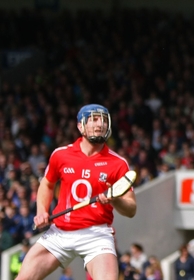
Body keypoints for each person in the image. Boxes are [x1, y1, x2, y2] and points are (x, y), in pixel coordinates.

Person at [16, 104, 137, 280]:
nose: (100, 124)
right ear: (81, 126)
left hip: (96, 235)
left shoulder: (118, 163)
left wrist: (115, 199)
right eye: (94, 119)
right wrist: (42, 211)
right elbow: (47, 184)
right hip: (59, 232)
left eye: (103, 120)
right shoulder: (61, 155)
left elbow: (131, 209)